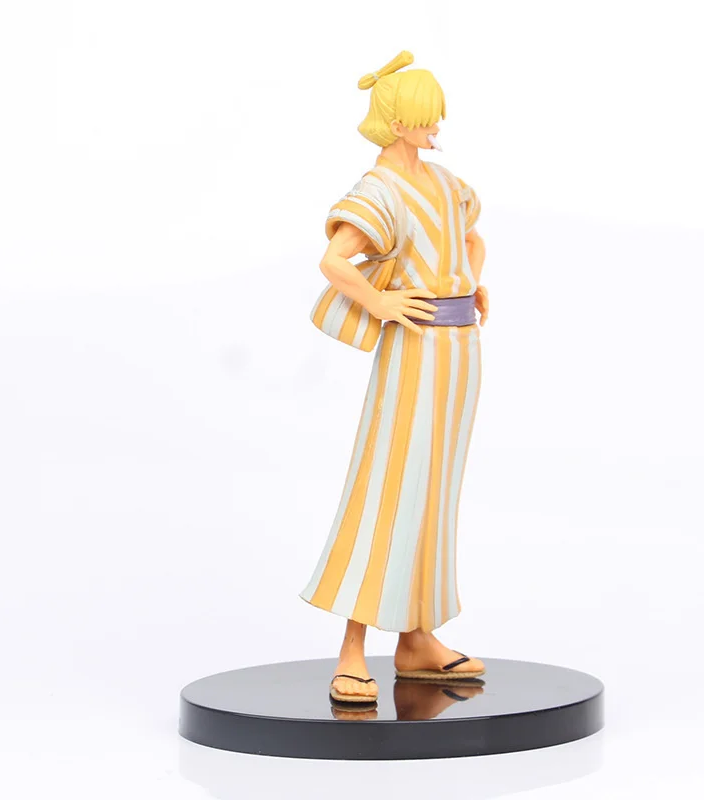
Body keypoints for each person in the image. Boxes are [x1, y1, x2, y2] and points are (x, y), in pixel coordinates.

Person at [300, 51, 490, 704]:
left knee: (433, 496)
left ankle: (416, 638)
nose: (438, 125)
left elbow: (472, 237)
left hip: (460, 353)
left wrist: (471, 281)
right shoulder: (379, 189)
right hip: (414, 350)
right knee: (387, 491)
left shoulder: (445, 182)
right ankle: (352, 649)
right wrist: (380, 302)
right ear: (400, 121)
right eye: (427, 116)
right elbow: (334, 260)